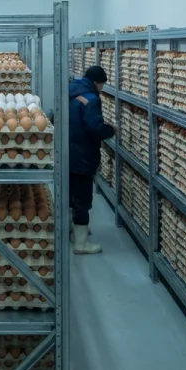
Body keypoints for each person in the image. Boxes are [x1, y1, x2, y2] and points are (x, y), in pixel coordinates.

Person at [68, 65, 116, 254]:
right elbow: (94, 127)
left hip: (69, 152)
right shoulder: (91, 99)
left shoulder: (72, 91)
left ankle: (73, 230)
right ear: (96, 83)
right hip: (82, 155)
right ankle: (81, 243)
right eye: (102, 85)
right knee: (82, 198)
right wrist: (111, 130)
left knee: (71, 194)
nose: (102, 89)